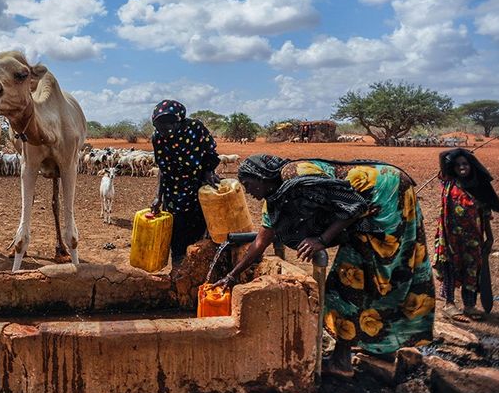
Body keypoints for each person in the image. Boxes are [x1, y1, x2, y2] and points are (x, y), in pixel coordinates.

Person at [215, 154, 434, 378]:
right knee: (367, 278)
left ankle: (342, 361)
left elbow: (354, 205)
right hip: (373, 201)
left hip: (385, 194)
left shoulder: (295, 174)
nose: (247, 191)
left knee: (354, 280)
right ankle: (379, 348)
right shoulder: (275, 201)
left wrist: (321, 240)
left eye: (248, 184)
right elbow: (260, 243)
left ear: (261, 177)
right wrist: (231, 276)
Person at [433, 148, 499, 322]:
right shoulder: (449, 182)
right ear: (452, 168)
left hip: (473, 238)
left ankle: (469, 306)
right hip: (449, 236)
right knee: (449, 267)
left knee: (472, 269)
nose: (462, 167)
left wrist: (490, 237)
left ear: (471, 166)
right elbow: (442, 156)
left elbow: (485, 215)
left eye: (465, 164)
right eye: (457, 165)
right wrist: (461, 151)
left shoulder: (479, 188)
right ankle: (449, 304)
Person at [149, 100, 220, 264]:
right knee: (177, 236)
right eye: (158, 127)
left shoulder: (195, 128)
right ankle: (178, 269)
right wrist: (158, 196)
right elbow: (162, 169)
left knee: (202, 234)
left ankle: (201, 269)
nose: (163, 131)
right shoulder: (157, 138)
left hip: (199, 188)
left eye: (166, 127)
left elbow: (210, 151)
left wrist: (209, 171)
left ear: (178, 122)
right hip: (174, 193)